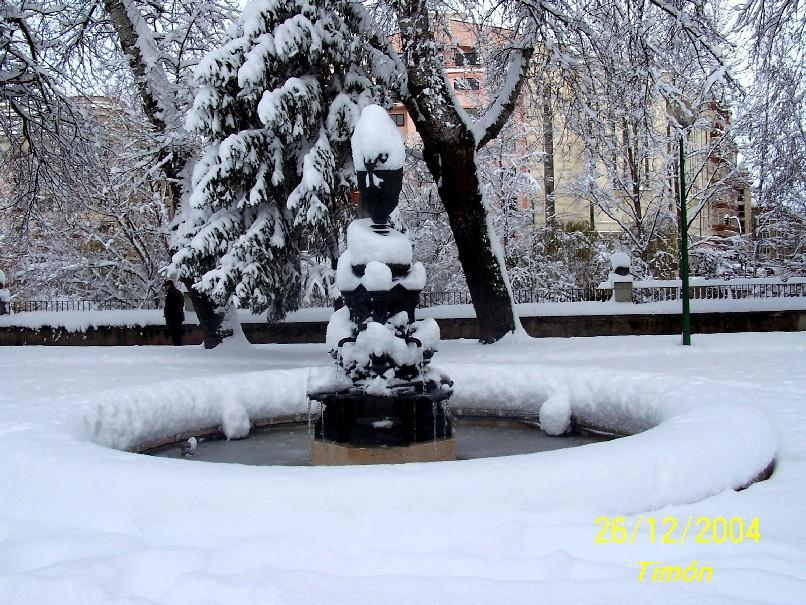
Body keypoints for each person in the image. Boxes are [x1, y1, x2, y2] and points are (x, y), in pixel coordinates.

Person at [163, 280, 185, 346]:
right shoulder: (178, 292)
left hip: (173, 318)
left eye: (166, 286)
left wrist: (167, 314)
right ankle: (178, 345)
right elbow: (182, 304)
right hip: (178, 317)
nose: (165, 288)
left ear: (169, 286)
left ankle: (177, 346)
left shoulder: (171, 294)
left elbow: (169, 307)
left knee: (175, 334)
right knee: (178, 334)